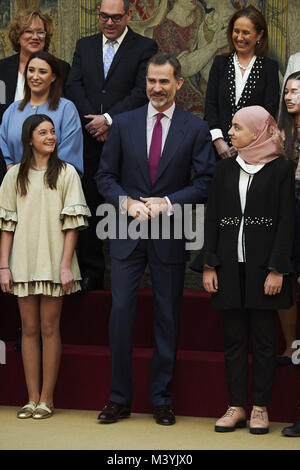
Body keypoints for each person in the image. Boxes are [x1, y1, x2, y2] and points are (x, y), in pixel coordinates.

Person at [96, 52, 215, 426]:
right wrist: (126, 201)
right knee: (121, 315)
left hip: (169, 233)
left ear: (179, 83)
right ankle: (118, 399)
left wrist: (167, 201)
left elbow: (206, 182)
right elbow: (104, 177)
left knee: (167, 317)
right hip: (127, 233)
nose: (156, 88)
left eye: (164, 81)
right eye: (151, 81)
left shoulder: (195, 129)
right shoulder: (125, 124)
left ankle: (162, 399)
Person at [191, 106, 295, 434]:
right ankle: (236, 406)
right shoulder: (225, 170)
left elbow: (286, 223)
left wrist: (277, 268)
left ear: (257, 131)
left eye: (237, 127)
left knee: (264, 341)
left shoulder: (280, 169)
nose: (230, 133)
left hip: (264, 271)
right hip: (229, 269)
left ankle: (260, 408)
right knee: (234, 340)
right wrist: (209, 264)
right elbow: (213, 219)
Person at [0, 114, 90, 419]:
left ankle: (47, 399)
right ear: (29, 139)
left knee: (50, 328)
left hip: (54, 262)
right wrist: (4, 267)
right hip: (22, 262)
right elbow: (7, 225)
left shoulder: (67, 173)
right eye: (43, 132)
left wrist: (65, 266)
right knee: (28, 329)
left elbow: (72, 225)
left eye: (53, 131)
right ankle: (30, 398)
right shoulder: (13, 176)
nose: (50, 136)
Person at [66, 0, 158, 292]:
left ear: (129, 16)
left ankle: (125, 277)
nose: (109, 23)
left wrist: (108, 119)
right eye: (104, 17)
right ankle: (92, 274)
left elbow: (142, 91)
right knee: (90, 206)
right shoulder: (85, 45)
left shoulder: (144, 47)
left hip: (126, 140)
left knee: (124, 207)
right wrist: (94, 122)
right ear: (98, 15)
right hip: (89, 142)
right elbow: (74, 85)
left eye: (116, 17)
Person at [204, 6, 279, 159]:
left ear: (259, 35)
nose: (239, 37)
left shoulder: (269, 67)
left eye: (245, 32)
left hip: (255, 151)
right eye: (236, 31)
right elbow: (211, 105)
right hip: (219, 151)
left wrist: (248, 144)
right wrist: (218, 141)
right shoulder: (220, 63)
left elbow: (269, 111)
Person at [0, 50, 83, 175]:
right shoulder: (12, 109)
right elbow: (2, 143)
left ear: (53, 77)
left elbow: (70, 152)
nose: (35, 76)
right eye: (31, 70)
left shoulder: (66, 109)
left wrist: (39, 178)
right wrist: (10, 168)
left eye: (42, 72)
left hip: (53, 183)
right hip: (16, 184)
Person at [0, 8, 70, 124]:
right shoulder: (2, 69)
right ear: (17, 36)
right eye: (28, 31)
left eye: (40, 32)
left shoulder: (61, 68)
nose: (35, 37)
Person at [278, 71, 300, 437]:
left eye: (298, 90)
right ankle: (291, 346)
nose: (290, 96)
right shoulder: (280, 134)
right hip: (287, 215)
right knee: (285, 280)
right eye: (288, 90)